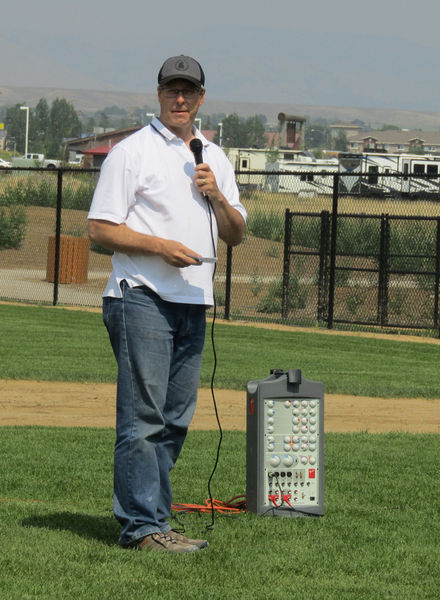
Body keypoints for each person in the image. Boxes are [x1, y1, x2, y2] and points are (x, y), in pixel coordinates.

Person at [88, 55, 247, 553]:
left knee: (175, 418)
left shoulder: (213, 157)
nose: (180, 99)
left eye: (189, 91)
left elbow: (237, 232)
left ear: (201, 99)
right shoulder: (130, 153)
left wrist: (217, 196)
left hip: (194, 302)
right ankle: (141, 527)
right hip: (141, 297)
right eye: (171, 90)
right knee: (144, 418)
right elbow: (99, 231)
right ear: (158, 94)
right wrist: (160, 247)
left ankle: (153, 519)